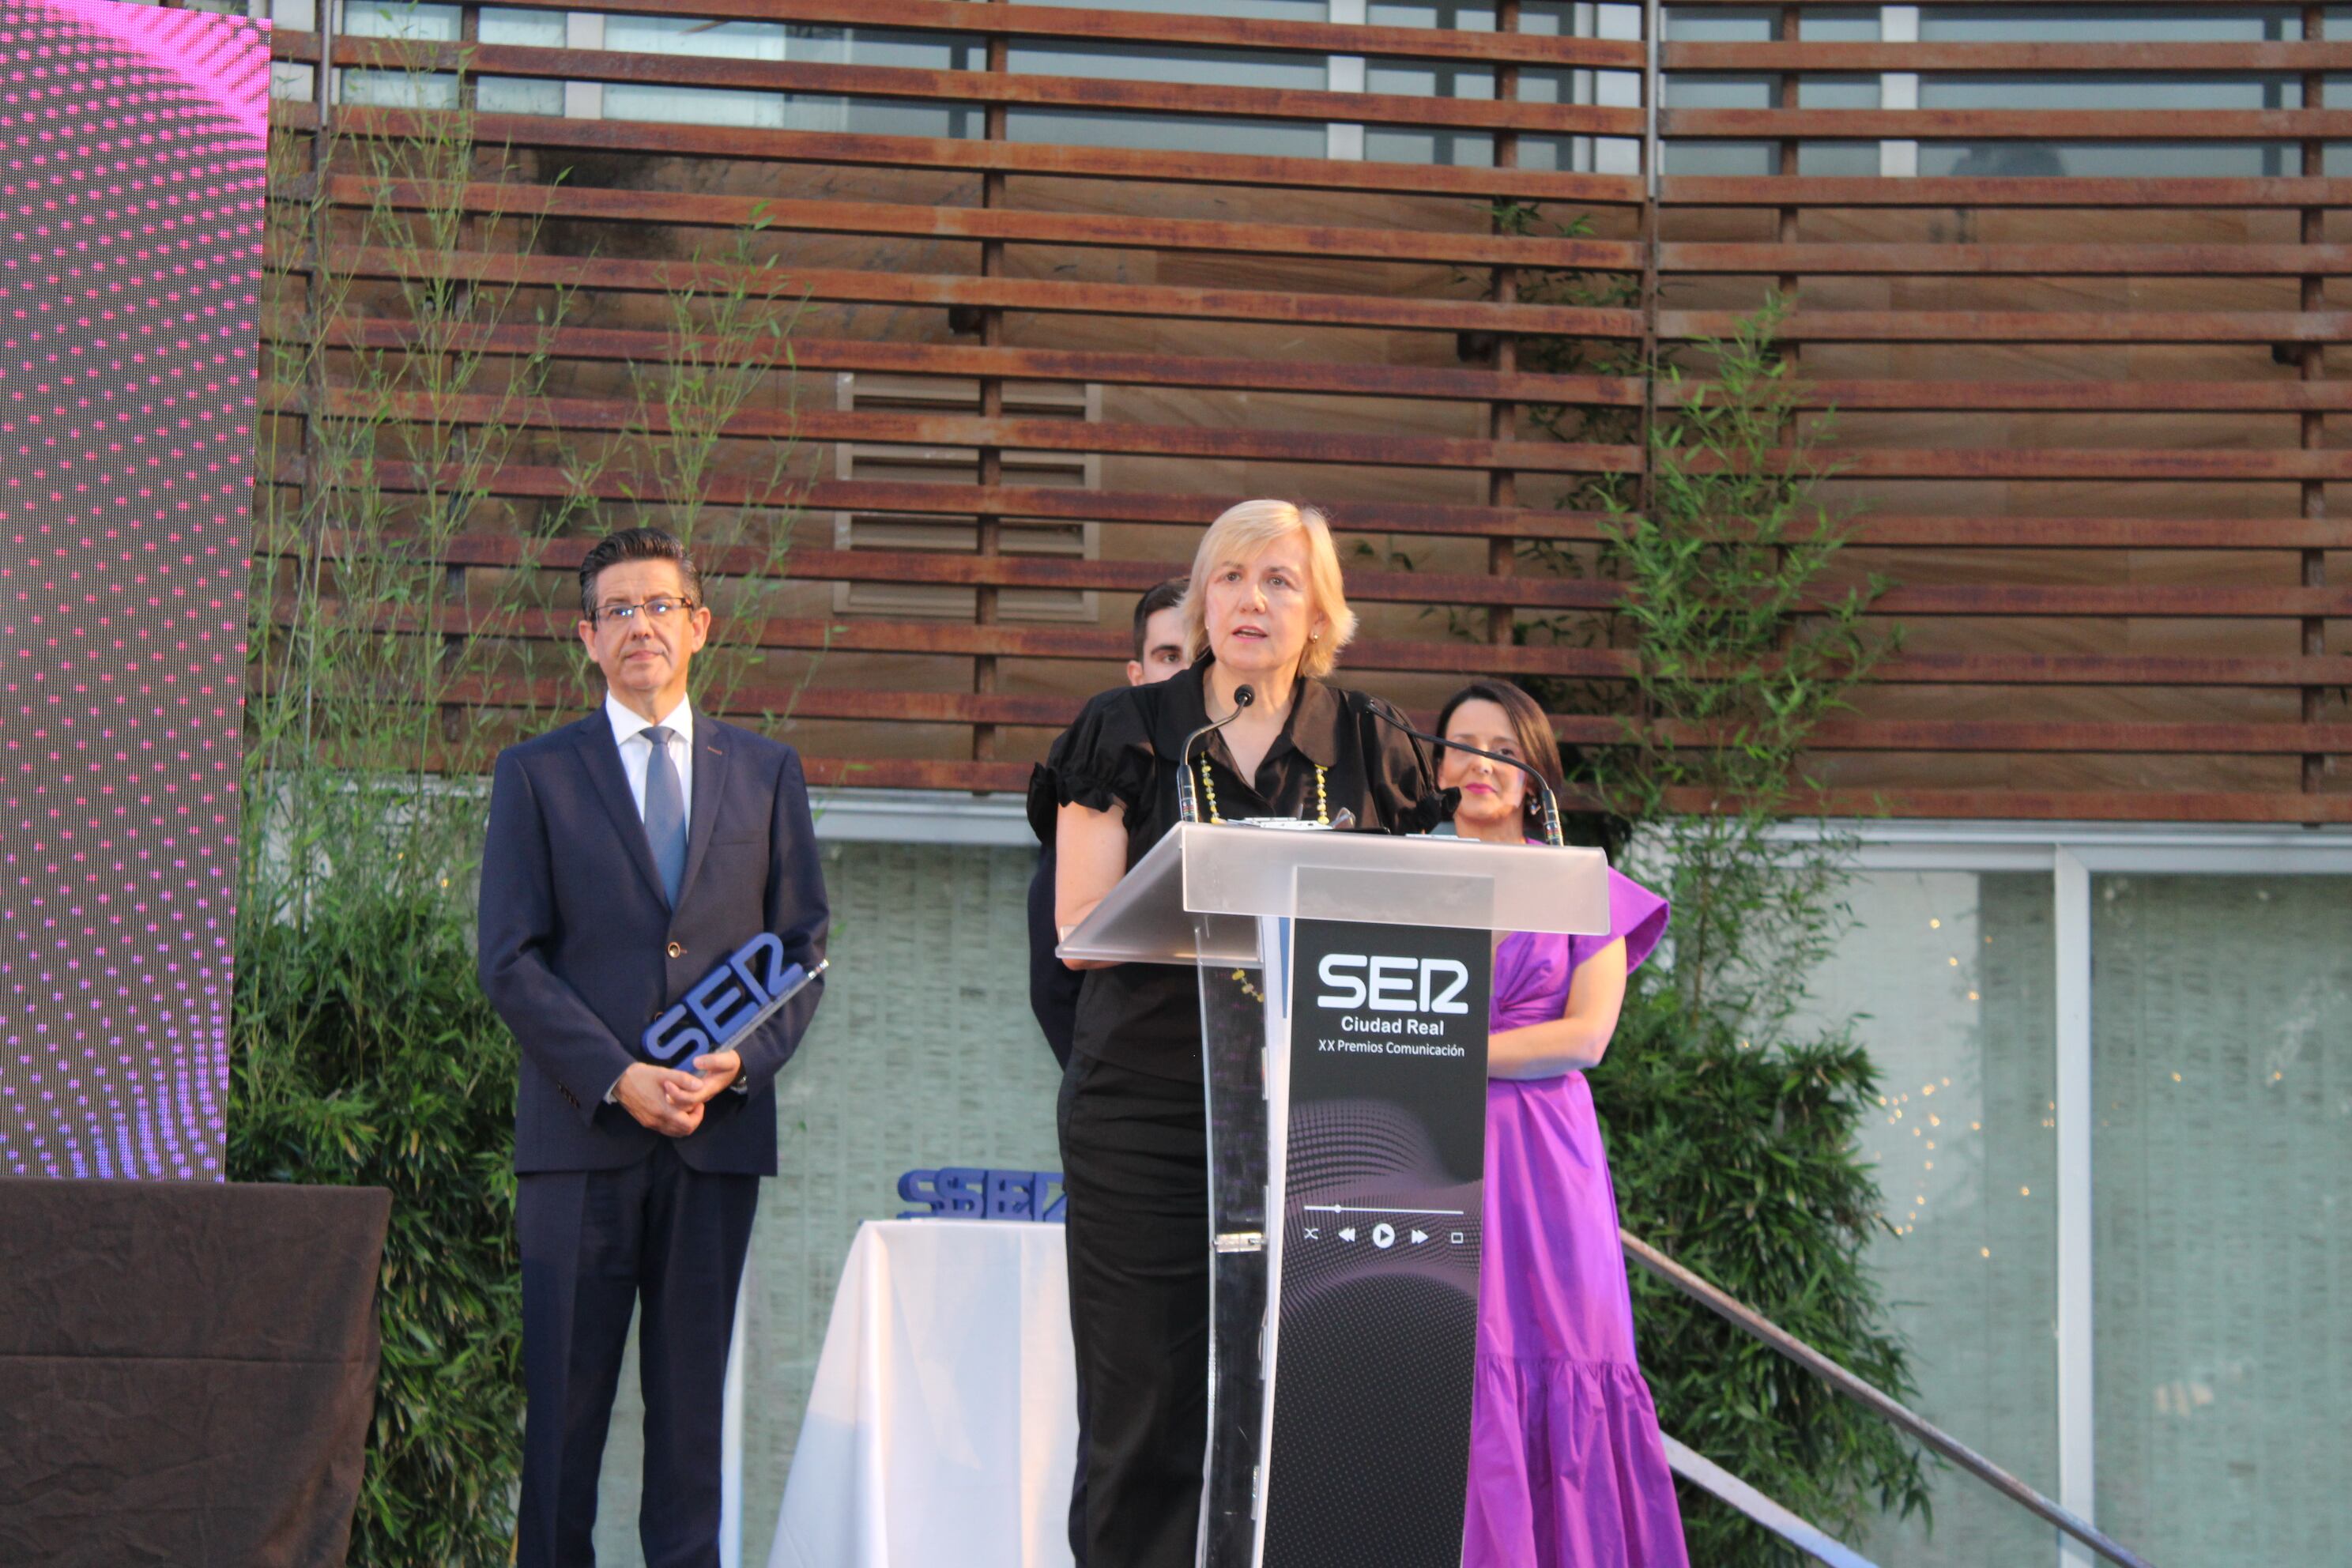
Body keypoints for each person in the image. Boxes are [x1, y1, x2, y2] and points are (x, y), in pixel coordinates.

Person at [1033, 499, 1449, 1568]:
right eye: (1228, 578)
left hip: (1331, 1114)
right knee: (1146, 1407)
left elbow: (1421, 923)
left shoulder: (1378, 742)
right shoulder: (1122, 730)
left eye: (1278, 580)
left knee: (1322, 1408)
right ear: (1200, 599)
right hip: (1149, 1113)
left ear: (1319, 613)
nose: (1250, 600)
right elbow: (1078, 933)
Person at [477, 526, 829, 1568]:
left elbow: (803, 945)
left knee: (691, 1431)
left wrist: (743, 1061)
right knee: (563, 1434)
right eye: (618, 610)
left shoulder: (766, 772)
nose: (641, 625)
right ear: (586, 638)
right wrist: (616, 1075)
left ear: (700, 626)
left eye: (660, 605)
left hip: (714, 1143)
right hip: (580, 1146)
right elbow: (510, 959)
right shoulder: (535, 775)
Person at [1431, 680, 1689, 1568]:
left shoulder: (1588, 886)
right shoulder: (1401, 885)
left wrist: (1442, 1046)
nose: (1476, 764)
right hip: (1424, 1152)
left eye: (1498, 746)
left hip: (1543, 1163)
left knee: (1562, 1359)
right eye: (1459, 745)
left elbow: (1585, 1036)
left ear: (1534, 768)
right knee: (1446, 1369)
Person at [1027, 575, 1189, 1072]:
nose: (1186, 674)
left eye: (1201, 656)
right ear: (1136, 675)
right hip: (1129, 1086)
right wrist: (1103, 1085)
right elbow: (1056, 979)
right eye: (1169, 657)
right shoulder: (1106, 778)